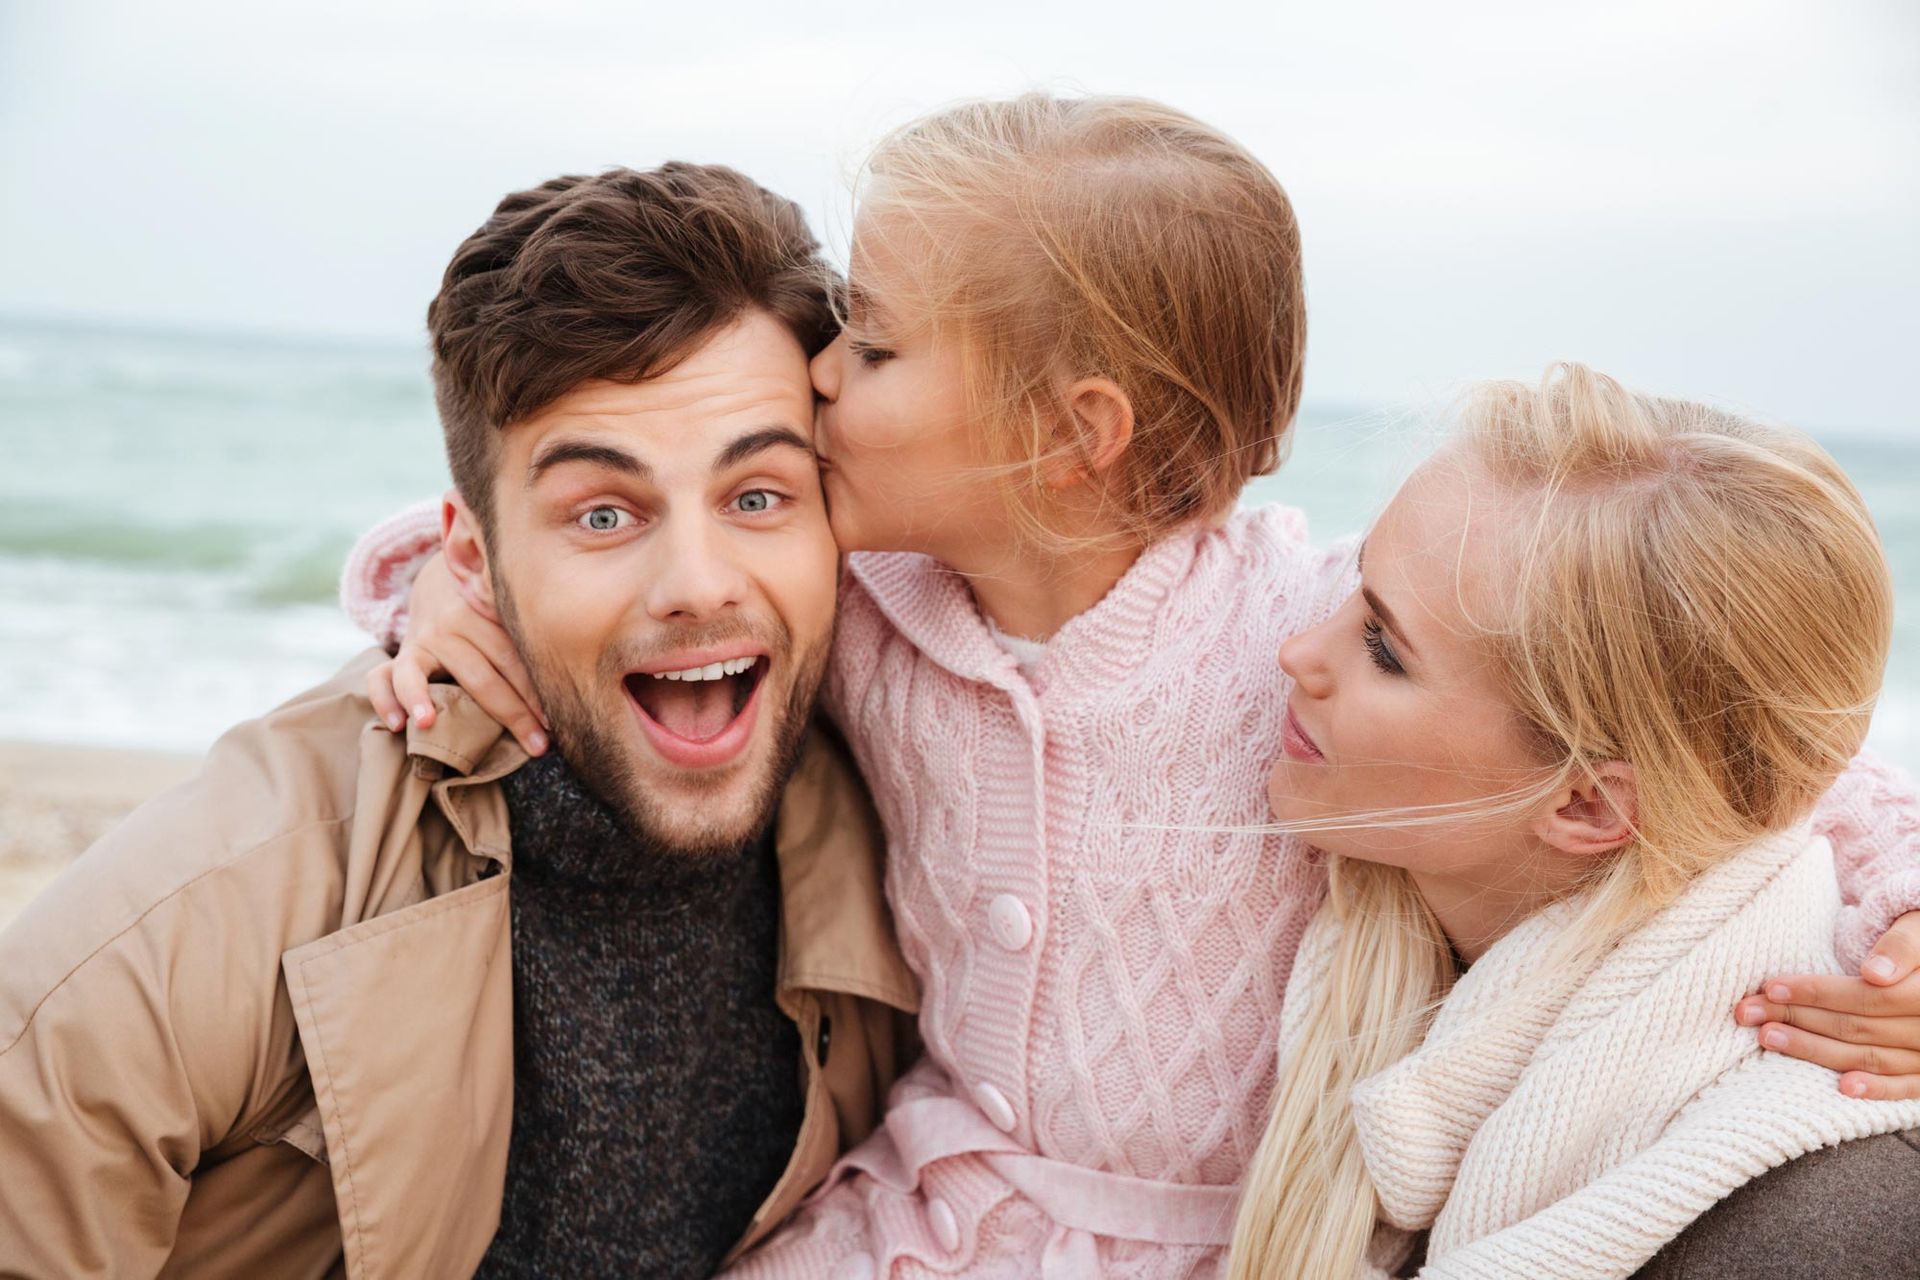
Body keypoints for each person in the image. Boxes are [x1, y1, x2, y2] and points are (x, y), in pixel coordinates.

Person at [350, 95, 1920, 1278]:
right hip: (927, 1209)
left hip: (1224, 1239)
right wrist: (434, 586)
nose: (818, 377)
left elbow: (1767, 766)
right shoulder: (870, 597)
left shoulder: (1302, 643)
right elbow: (591, 552)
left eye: (876, 351)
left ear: (1069, 434)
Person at [0, 163, 918, 1279]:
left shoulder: (914, 817)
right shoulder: (189, 929)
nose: (698, 581)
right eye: (604, 511)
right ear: (474, 558)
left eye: (759, 495)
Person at [1230, 366, 1920, 1279]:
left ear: (1589, 803)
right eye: (1355, 584)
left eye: (1384, 651)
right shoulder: (1366, 970)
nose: (1295, 650)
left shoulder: (1823, 1225)